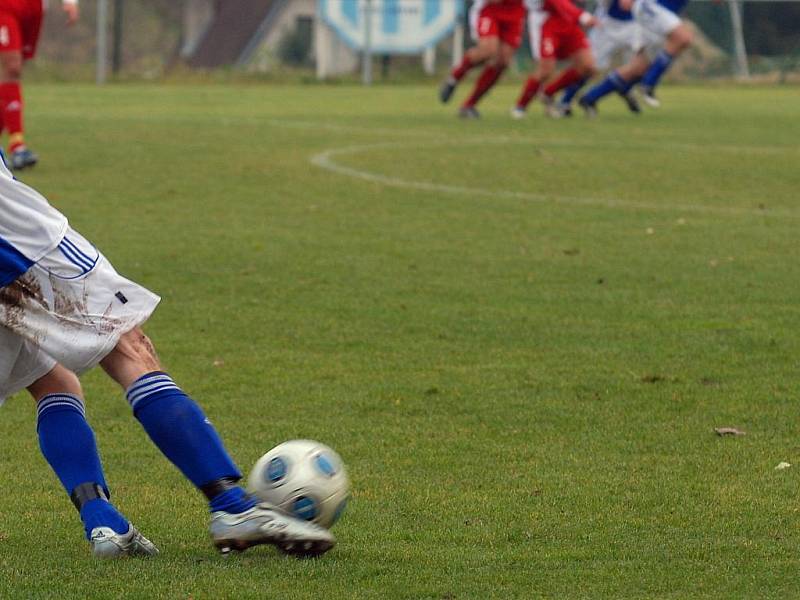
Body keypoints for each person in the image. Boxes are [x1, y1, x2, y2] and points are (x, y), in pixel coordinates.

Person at [0, 154, 336, 558]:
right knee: (129, 348)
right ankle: (231, 505)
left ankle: (103, 523)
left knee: (48, 378)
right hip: (16, 239)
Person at [0, 0, 79, 170]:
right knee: (12, 68)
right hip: (5, 5)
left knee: (17, 69)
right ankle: (17, 147)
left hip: (34, 7)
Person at [579, 0, 692, 115]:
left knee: (638, 68)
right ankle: (648, 84)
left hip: (657, 15)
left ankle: (590, 97)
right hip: (651, 7)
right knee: (683, 38)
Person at [553, 0, 643, 116]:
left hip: (633, 24)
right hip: (607, 24)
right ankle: (565, 100)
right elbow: (623, 4)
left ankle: (624, 89)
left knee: (641, 64)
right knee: (590, 67)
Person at [439, 0, 527, 119]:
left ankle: (469, 105)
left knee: (503, 61)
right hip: (490, 10)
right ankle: (454, 78)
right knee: (488, 50)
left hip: (515, 14)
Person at [511, 0, 597, 119]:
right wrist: (583, 16)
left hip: (567, 19)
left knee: (588, 67)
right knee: (546, 70)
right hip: (545, 20)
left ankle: (548, 93)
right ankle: (521, 106)